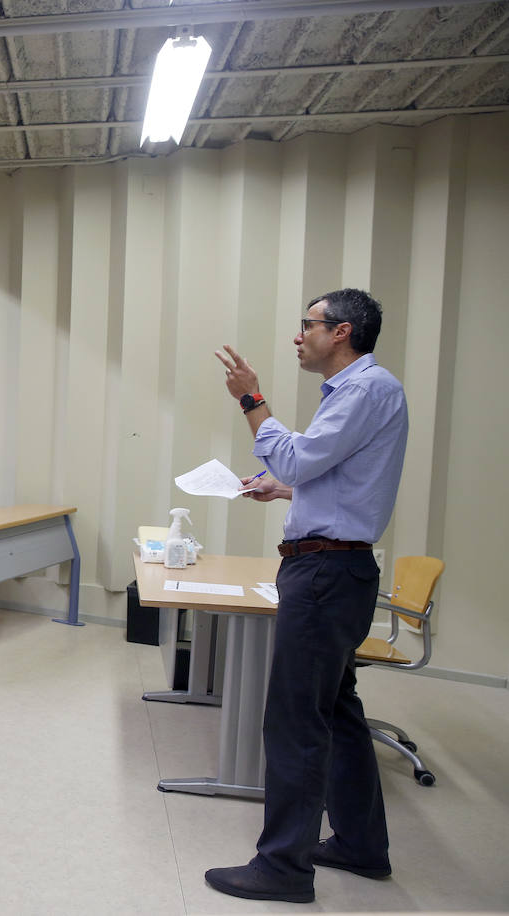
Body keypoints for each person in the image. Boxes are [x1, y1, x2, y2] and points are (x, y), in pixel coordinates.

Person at [205, 289, 408, 905]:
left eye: (308, 325)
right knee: (338, 713)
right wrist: (288, 492)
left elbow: (295, 457)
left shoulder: (365, 390)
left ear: (341, 331)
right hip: (335, 572)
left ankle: (284, 869)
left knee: (296, 722)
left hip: (324, 577)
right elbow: (341, 481)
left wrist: (251, 400)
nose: (300, 335)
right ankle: (361, 846)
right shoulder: (362, 392)